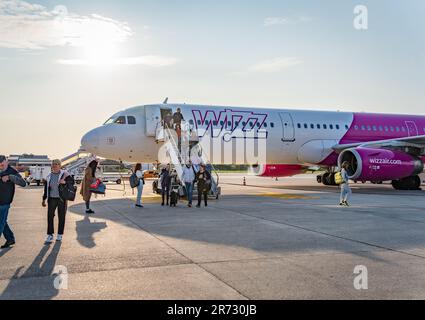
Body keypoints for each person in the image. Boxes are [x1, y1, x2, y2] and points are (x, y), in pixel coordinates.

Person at [42, 159, 73, 243]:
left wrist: (65, 181)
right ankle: (50, 235)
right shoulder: (49, 176)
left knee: (61, 217)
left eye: (57, 164)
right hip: (51, 199)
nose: (55, 165)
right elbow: (46, 189)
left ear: (60, 165)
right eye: (53, 164)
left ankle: (60, 234)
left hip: (61, 199)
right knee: (50, 217)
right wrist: (44, 199)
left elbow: (71, 182)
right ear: (51, 166)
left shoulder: (65, 174)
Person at [0, 155, 26, 249]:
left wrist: (10, 177)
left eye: (2, 165)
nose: (1, 167)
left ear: (6, 162)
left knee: (0, 222)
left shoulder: (12, 171)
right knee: (3, 222)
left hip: (4, 202)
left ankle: (10, 238)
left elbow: (23, 183)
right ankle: (10, 239)